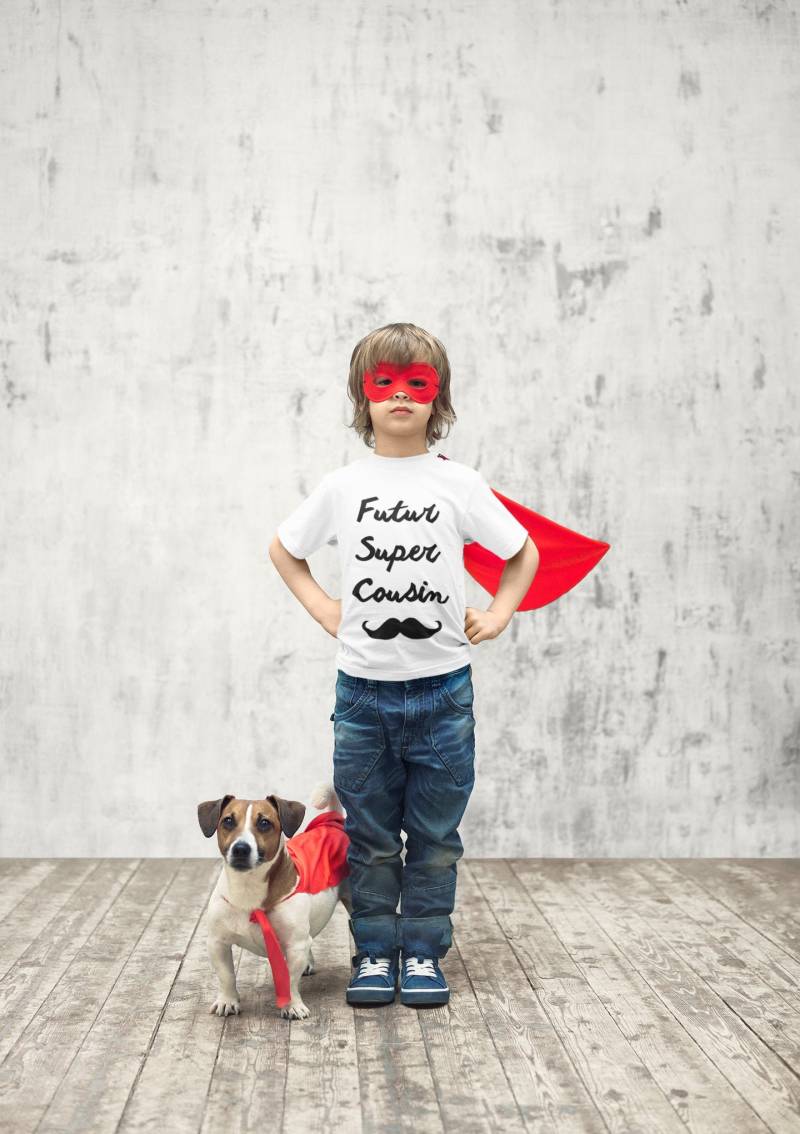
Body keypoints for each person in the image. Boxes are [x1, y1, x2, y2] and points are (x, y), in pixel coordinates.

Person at [269, 322, 539, 1007]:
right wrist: (326, 608)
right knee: (369, 837)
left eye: (415, 383)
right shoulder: (343, 485)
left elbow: (522, 553)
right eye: (383, 382)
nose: (399, 396)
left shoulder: (460, 485)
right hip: (363, 698)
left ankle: (421, 954)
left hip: (443, 697)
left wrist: (500, 611)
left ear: (436, 396)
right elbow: (284, 549)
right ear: (364, 397)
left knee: (436, 838)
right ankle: (373, 954)